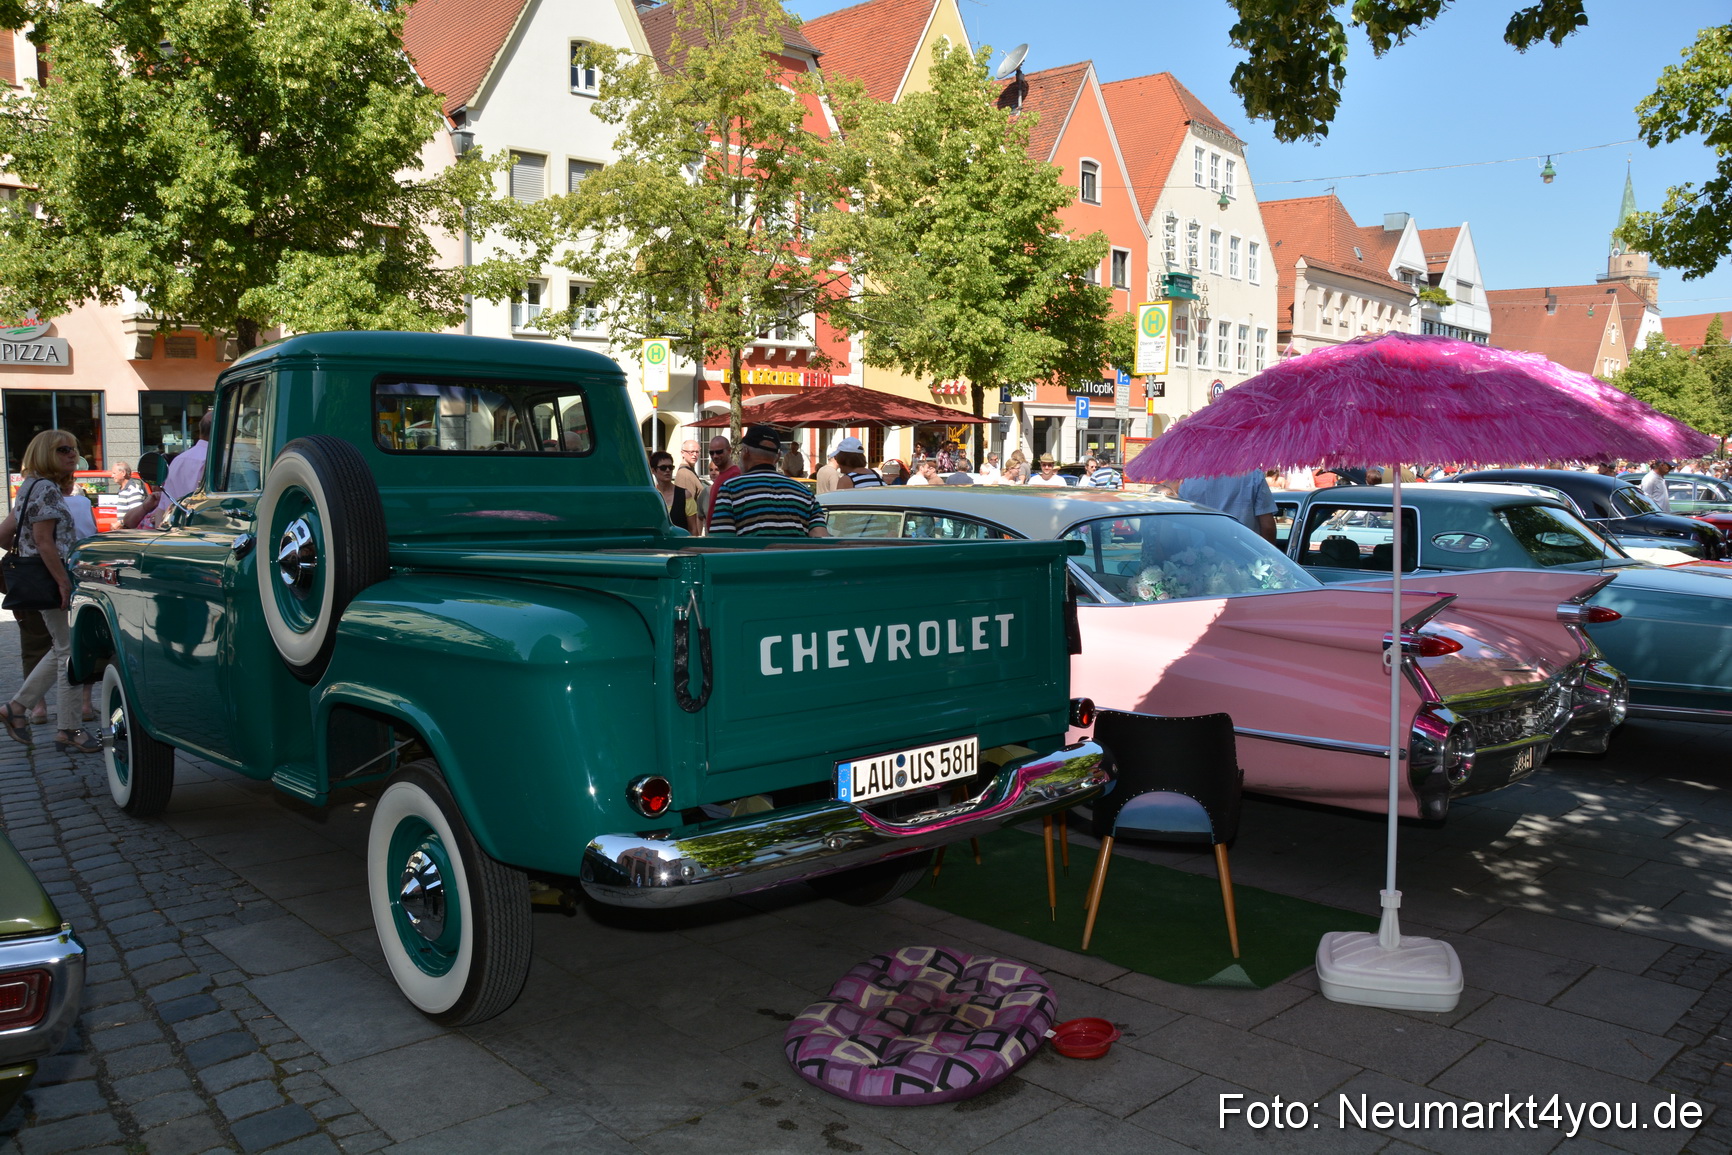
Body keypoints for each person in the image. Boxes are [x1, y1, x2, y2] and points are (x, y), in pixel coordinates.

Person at [0, 430, 101, 753]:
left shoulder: (30, 486)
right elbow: (44, 541)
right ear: (45, 453)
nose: (72, 455)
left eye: (74, 449)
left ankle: (16, 708)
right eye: (63, 450)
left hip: (41, 575)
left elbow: (6, 534)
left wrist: (26, 551)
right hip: (52, 577)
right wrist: (62, 580)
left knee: (62, 648)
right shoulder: (47, 489)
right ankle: (69, 728)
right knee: (70, 652)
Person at [706, 425, 831, 538]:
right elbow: (821, 538)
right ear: (777, 457)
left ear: (745, 452)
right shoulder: (804, 492)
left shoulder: (730, 490)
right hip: (794, 562)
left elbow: (721, 544)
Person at [127, 409, 213, 529]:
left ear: (200, 431)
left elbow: (163, 509)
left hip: (176, 533)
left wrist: (162, 535)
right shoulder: (216, 460)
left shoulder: (179, 461)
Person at [1178, 468, 1279, 543]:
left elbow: (1182, 530)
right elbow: (1267, 527)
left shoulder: (1188, 479)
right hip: (1244, 556)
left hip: (1201, 558)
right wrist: (1268, 559)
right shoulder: (1253, 474)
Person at [649, 451, 699, 533]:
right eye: (663, 468)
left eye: (670, 467)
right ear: (653, 471)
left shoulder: (685, 495)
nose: (668, 470)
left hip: (681, 544)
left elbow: (693, 529)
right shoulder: (650, 497)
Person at [703, 435, 741, 529]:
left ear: (729, 450)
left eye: (719, 452)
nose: (715, 456)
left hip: (726, 537)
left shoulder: (735, 475)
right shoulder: (721, 476)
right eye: (711, 453)